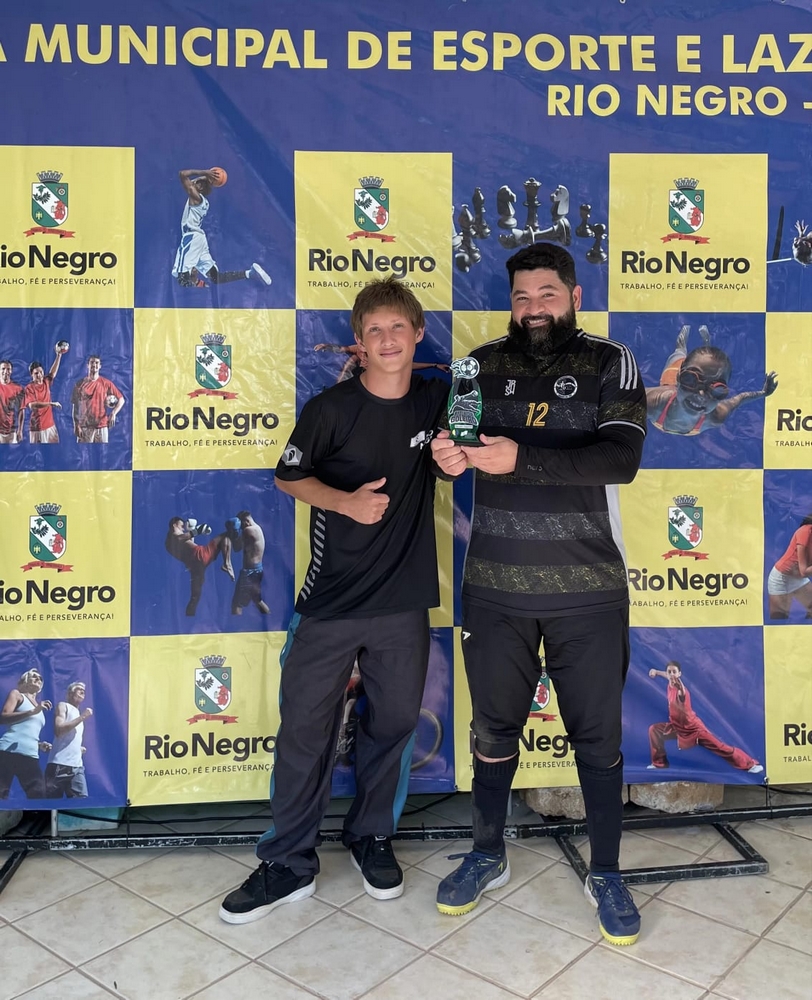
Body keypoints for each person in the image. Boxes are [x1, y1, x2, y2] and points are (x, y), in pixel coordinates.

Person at [431, 243, 646, 946]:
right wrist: (448, 455)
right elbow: (456, 444)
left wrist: (521, 458)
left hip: (589, 590)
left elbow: (622, 458)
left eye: (547, 294)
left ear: (575, 297)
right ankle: (486, 853)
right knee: (493, 733)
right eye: (522, 297)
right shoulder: (478, 364)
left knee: (598, 739)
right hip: (495, 589)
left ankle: (606, 872)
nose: (533, 309)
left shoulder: (611, 361)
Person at [219, 276, 448, 924]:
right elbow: (288, 476)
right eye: (374, 330)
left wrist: (456, 457)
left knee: (393, 727)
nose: (387, 339)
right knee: (304, 732)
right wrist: (346, 502)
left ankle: (371, 836)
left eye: (398, 327)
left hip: (403, 605)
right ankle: (288, 862)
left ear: (418, 334)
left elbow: (466, 432)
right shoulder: (330, 409)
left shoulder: (436, 402)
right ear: (359, 343)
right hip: (330, 603)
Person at [646, 324, 778, 436]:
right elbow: (740, 399)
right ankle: (686, 341)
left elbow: (740, 399)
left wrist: (764, 393)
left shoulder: (716, 417)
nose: (701, 394)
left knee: (707, 364)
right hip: (669, 380)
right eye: (691, 379)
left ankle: (706, 345)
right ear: (679, 377)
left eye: (716, 389)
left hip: (681, 382)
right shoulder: (651, 403)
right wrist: (763, 393)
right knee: (679, 352)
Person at [647, 662, 763, 773]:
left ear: (679, 674)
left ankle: (750, 764)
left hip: (693, 729)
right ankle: (659, 763)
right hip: (677, 727)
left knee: (720, 747)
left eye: (674, 672)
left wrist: (679, 685)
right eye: (669, 672)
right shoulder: (670, 683)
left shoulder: (681, 691)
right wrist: (656, 672)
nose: (671, 674)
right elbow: (668, 676)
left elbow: (680, 688)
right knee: (654, 729)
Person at [171, 168, 271, 289]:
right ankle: (250, 273)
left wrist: (205, 172)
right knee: (216, 277)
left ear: (200, 188)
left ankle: (194, 279)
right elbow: (191, 182)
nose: (194, 182)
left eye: (197, 183)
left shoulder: (196, 198)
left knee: (182, 279)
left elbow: (182, 174)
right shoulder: (202, 202)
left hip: (191, 237)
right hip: (199, 239)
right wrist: (207, 178)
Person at [164, 517, 234, 616]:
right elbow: (180, 538)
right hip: (201, 554)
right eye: (181, 526)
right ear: (174, 525)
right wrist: (198, 530)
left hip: (195, 565)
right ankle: (227, 564)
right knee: (225, 536)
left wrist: (192, 531)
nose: (183, 528)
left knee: (195, 596)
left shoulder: (169, 543)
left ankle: (189, 616)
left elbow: (188, 545)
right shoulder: (175, 536)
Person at [0, 669, 52, 799]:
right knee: (1, 793)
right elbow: (3, 717)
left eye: (40, 678)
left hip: (30, 755)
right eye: (34, 677)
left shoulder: (39, 708)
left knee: (39, 794)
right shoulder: (17, 695)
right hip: (7, 752)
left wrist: (39, 745)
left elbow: (27, 730)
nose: (38, 679)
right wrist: (32, 712)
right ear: (25, 681)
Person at [314, 341, 451, 385]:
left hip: (377, 381)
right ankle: (339, 389)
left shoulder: (384, 355)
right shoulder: (358, 352)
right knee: (353, 359)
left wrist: (434, 365)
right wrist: (327, 346)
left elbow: (408, 366)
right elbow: (343, 349)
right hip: (357, 379)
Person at [45, 681, 92, 798]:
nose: (82, 691)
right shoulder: (63, 706)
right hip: (58, 765)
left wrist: (77, 748)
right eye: (78, 689)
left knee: (81, 803)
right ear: (70, 693)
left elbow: (69, 738)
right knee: (52, 805)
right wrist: (83, 717)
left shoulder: (78, 713)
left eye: (83, 691)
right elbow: (59, 730)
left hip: (77, 766)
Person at [71, 355, 125, 443]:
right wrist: (76, 425)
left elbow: (121, 400)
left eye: (97, 363)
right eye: (92, 362)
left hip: (102, 427)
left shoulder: (106, 383)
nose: (94, 365)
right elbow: (75, 406)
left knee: (103, 451)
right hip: (85, 427)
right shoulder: (79, 384)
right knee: (84, 451)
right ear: (88, 365)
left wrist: (113, 413)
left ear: (100, 366)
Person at [767, 513, 812, 620]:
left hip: (798, 578)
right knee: (779, 619)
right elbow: (804, 571)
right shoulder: (805, 531)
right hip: (781, 579)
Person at [229, 510, 270, 615]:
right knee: (257, 600)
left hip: (249, 573)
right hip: (257, 570)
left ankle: (236, 624)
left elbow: (236, 547)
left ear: (246, 521)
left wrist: (233, 532)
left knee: (236, 604)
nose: (241, 527)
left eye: (241, 524)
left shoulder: (248, 530)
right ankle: (270, 616)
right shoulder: (258, 528)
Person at [23, 345, 64, 444]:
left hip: (51, 425)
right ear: (31, 375)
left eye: (41, 372)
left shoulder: (46, 381)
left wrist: (59, 355)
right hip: (38, 428)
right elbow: (32, 405)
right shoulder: (29, 388)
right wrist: (50, 404)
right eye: (36, 373)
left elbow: (52, 373)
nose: (40, 375)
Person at [0, 360, 24, 444]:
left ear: (11, 371)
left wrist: (20, 430)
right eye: (3, 369)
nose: (5, 371)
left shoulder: (18, 389)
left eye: (8, 369)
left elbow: (21, 410)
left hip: (11, 431)